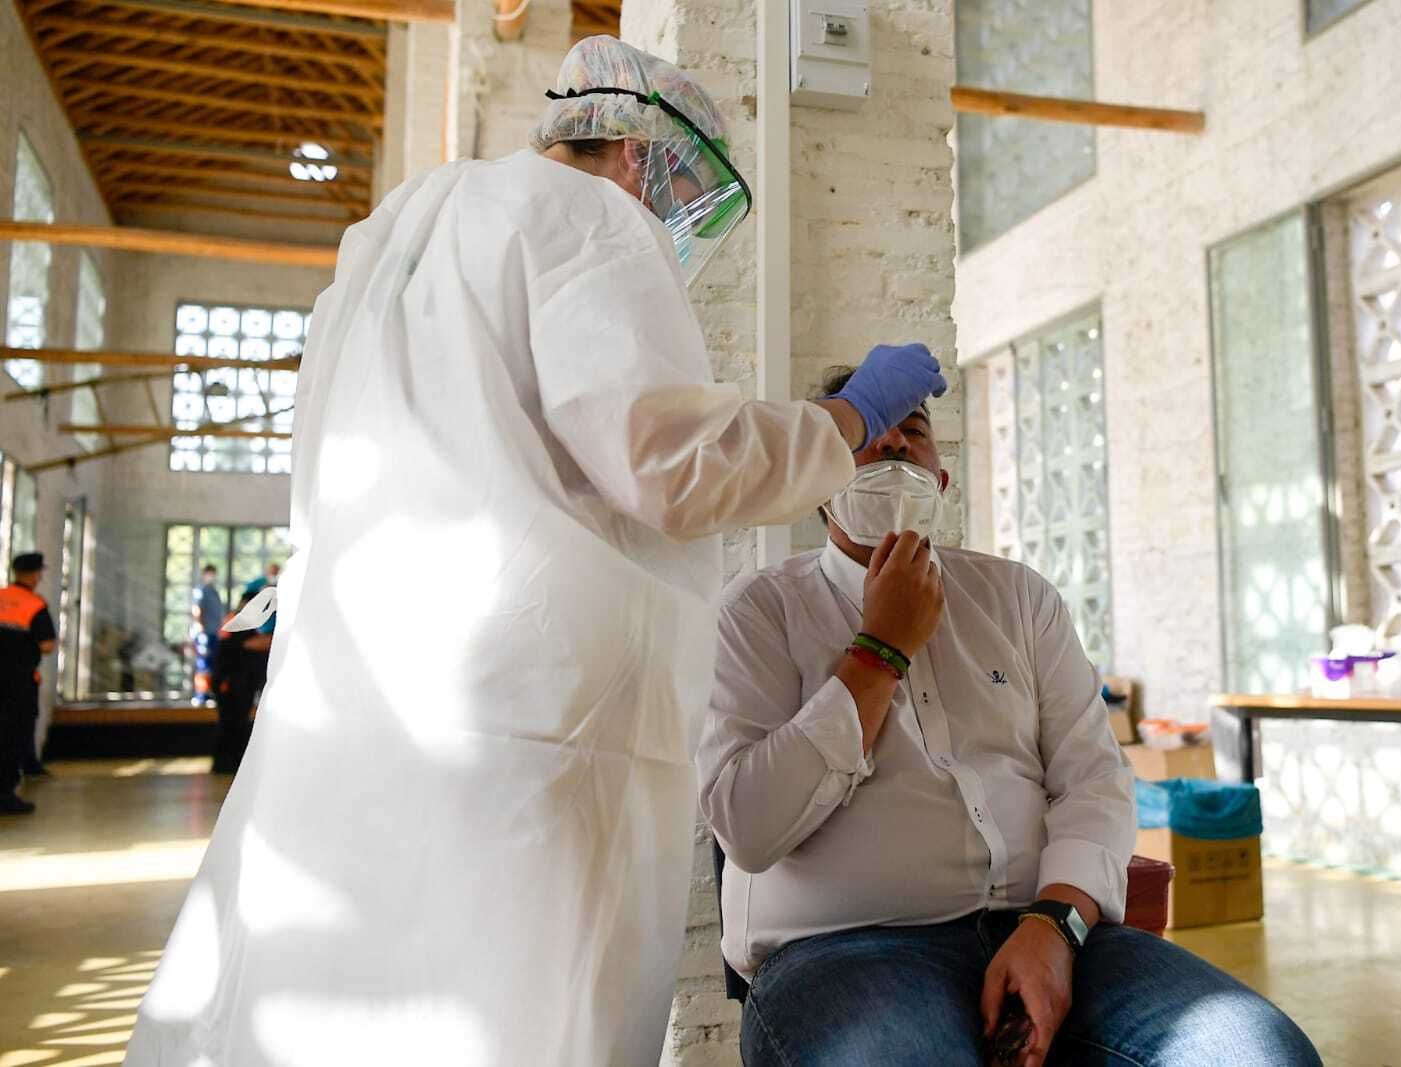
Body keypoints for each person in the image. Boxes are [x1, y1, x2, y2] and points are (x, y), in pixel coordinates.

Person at [126, 35, 945, 1067]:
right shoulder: (590, 218)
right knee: (517, 1008)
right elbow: (671, 461)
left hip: (366, 689)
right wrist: (845, 418)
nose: (680, 226)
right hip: (527, 711)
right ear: (644, 155)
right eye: (689, 191)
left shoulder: (399, 238)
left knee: (341, 994)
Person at [697, 366, 1321, 1067]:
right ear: (818, 482)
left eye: (915, 431)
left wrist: (1054, 923)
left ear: (941, 480)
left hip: (1049, 931)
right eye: (869, 430)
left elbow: (1093, 778)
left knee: (1263, 1052)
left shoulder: (1018, 598)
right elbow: (747, 828)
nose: (896, 443)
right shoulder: (757, 612)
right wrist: (879, 651)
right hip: (847, 953)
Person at [0, 553, 56, 815]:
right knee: (14, 735)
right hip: (19, 682)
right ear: (35, 575)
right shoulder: (35, 604)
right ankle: (5, 794)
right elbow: (47, 644)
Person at [210, 592, 270, 775]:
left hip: (240, 683)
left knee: (238, 723)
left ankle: (233, 762)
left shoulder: (247, 623)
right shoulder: (235, 622)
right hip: (230, 683)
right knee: (231, 723)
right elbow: (250, 644)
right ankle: (225, 764)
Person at [191, 564, 224, 701]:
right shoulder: (201, 591)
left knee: (212, 665)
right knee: (203, 665)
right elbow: (197, 610)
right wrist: (201, 628)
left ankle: (210, 692)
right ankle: (201, 695)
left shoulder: (213, 591)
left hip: (214, 633)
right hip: (204, 634)